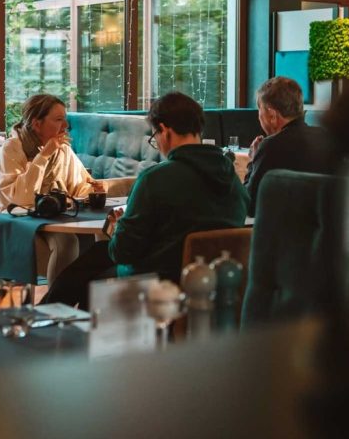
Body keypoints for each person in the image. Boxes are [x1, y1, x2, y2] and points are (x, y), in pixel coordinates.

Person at [45, 91, 248, 307]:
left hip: (160, 280)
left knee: (87, 277)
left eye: (154, 137)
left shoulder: (156, 178)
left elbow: (123, 251)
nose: (157, 144)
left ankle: (51, 322)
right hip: (218, 280)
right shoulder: (232, 179)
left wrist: (119, 225)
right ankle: (49, 314)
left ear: (165, 131)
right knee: (94, 257)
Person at [0, 94, 104, 284]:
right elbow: (20, 198)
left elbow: (78, 186)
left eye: (65, 119)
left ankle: (85, 302)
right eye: (59, 120)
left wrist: (95, 189)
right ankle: (54, 305)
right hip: (14, 218)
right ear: (37, 124)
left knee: (104, 234)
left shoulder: (62, 149)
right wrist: (43, 156)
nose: (65, 126)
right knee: (66, 243)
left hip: (51, 215)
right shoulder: (12, 148)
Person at [244, 76, 334, 217]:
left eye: (259, 110)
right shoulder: (326, 137)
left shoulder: (271, 147)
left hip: (286, 234)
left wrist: (252, 163)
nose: (259, 116)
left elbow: (249, 205)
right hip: (325, 230)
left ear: (272, 115)